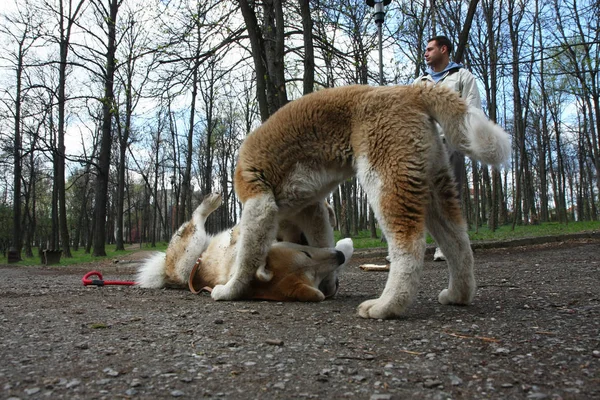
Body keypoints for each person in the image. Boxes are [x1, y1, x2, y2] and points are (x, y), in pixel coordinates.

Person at [413, 35, 483, 261]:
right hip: (423, 145)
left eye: (430, 49)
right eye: (425, 50)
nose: (426, 53)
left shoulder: (463, 77)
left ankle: (447, 246)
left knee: (449, 195)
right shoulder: (420, 82)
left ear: (444, 49)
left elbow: (473, 110)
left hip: (451, 143)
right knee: (417, 194)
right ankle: (412, 248)